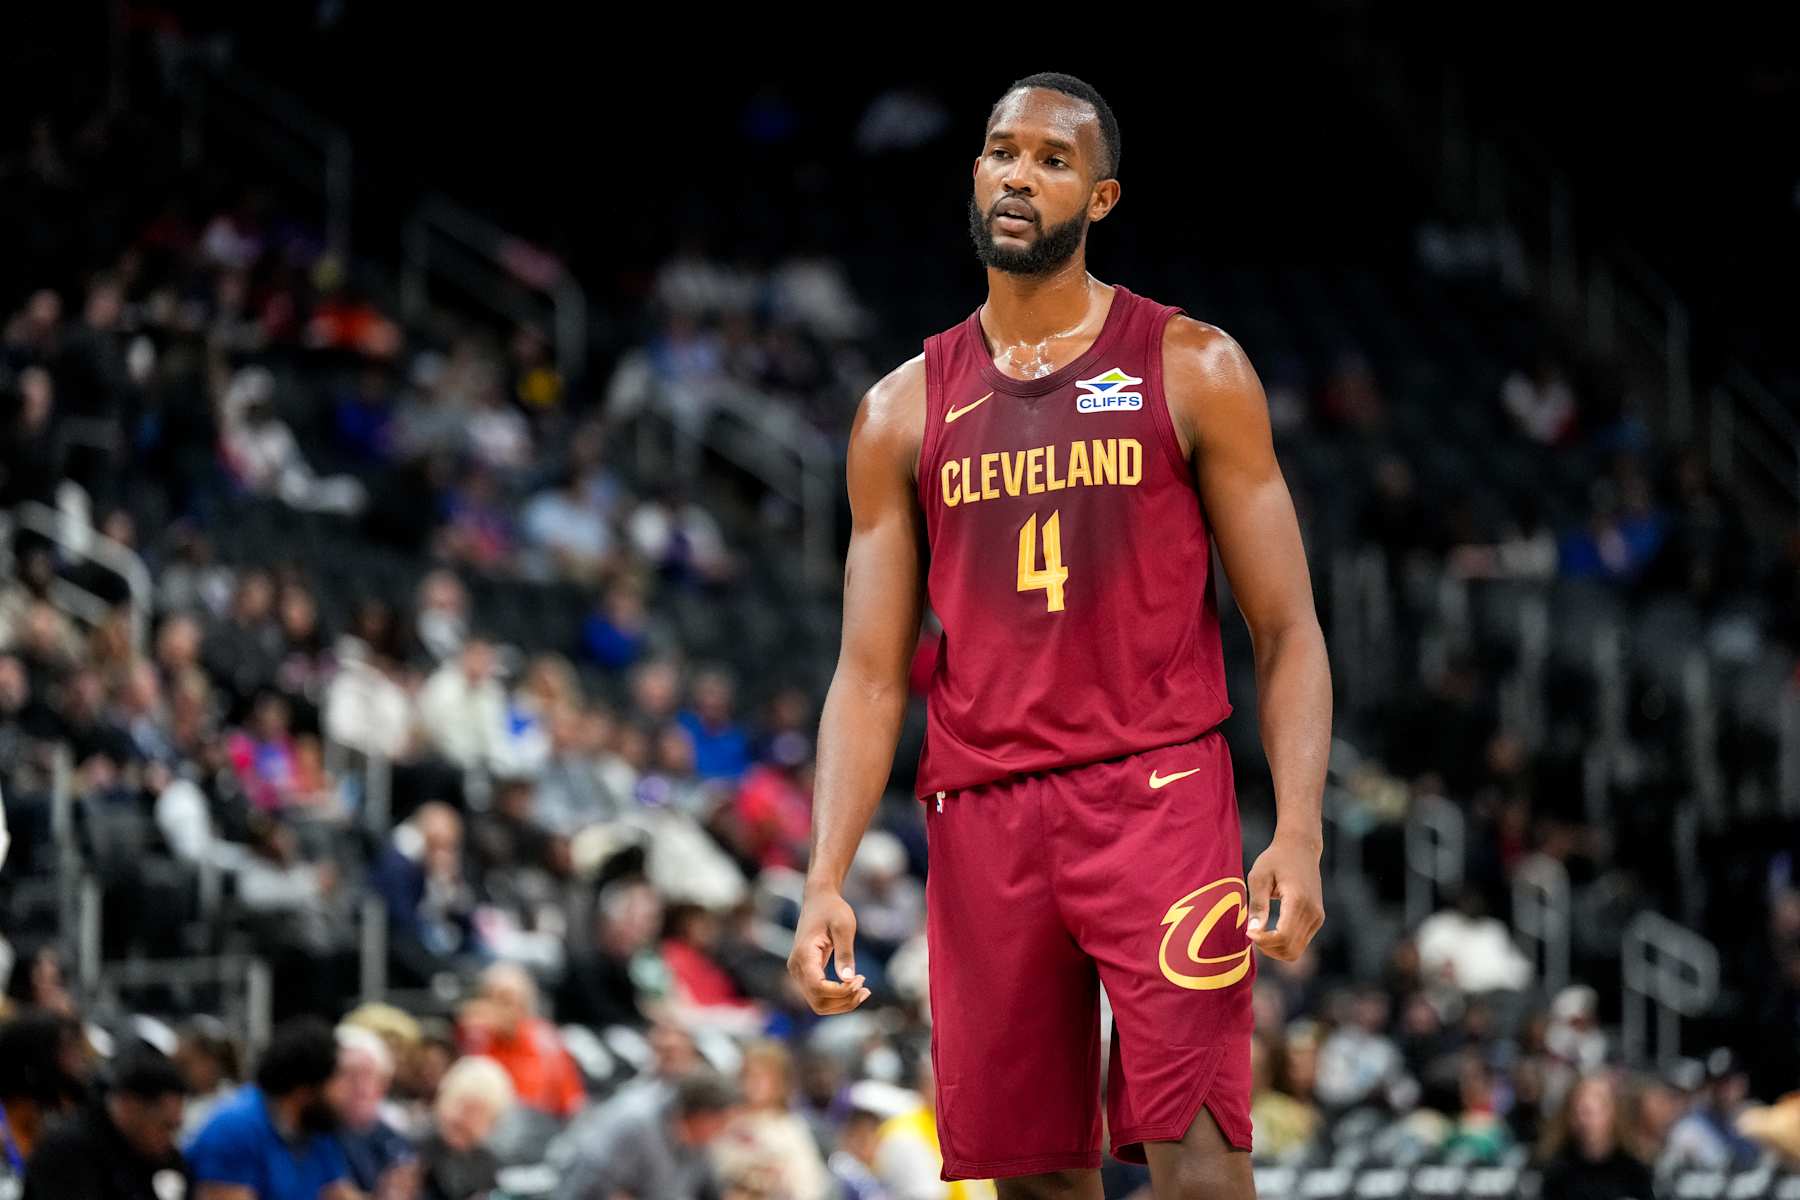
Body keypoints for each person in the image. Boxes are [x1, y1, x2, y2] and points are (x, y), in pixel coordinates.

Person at [786, 71, 1331, 1198]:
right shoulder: (898, 409)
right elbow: (869, 673)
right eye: (1003, 151)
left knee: (1202, 1158)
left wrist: (1300, 831)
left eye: (1052, 159)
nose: (1019, 176)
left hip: (1159, 798)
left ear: (1102, 196)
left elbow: (1285, 629)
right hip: (983, 812)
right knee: (1030, 1177)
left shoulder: (1192, 365)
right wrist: (824, 874)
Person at [184, 1017, 357, 1200]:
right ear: (305, 1089)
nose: (347, 1091)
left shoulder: (317, 1128)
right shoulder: (233, 1129)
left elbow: (338, 1193)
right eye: (339, 1079)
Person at [22, 1049, 190, 1200]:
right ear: (130, 1107)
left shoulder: (161, 1157)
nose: (170, 1139)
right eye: (166, 1126)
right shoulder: (67, 1150)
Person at [554, 1069, 739, 1200]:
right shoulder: (635, 1124)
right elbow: (594, 1187)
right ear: (702, 1116)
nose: (723, 1131)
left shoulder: (699, 1144)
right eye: (721, 1123)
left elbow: (711, 1192)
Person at [457, 964, 584, 1120]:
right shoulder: (477, 1039)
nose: (496, 1009)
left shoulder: (544, 1040)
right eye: (489, 999)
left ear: (524, 1006)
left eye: (505, 1001)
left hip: (542, 1122)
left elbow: (571, 1102)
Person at [1538, 1073, 1655, 1200]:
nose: (1584, 1121)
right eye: (1578, 1112)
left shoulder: (1634, 1169)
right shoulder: (1556, 1169)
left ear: (1613, 1113)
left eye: (1591, 1113)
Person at [416, 1056, 513, 1200]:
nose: (460, 1117)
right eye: (458, 1103)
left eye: (474, 1111)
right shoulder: (413, 1151)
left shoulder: (489, 1165)